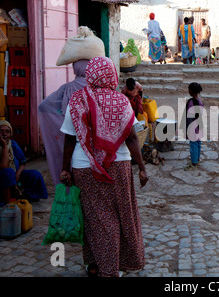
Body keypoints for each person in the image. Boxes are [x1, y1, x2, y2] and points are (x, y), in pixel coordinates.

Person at [60, 56, 148, 277]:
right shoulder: (121, 101)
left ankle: (97, 265)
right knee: (119, 216)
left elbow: (69, 139)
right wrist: (142, 167)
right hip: (118, 166)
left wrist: (65, 168)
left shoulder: (77, 100)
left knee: (94, 218)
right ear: (111, 75)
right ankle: (109, 267)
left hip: (84, 167)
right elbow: (132, 139)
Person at [38, 27, 105, 187]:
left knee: (75, 182)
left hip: (73, 144)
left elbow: (44, 107)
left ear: (76, 67)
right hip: (99, 145)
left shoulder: (68, 89)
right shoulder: (102, 89)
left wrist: (60, 122)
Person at [0, 120, 48, 205]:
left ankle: (27, 196)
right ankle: (7, 202)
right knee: (8, 172)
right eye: (1, 131)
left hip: (14, 176)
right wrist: (4, 146)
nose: (4, 134)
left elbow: (22, 163)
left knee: (34, 174)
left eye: (7, 131)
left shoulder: (13, 144)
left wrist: (17, 174)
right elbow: (3, 166)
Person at [184, 82, 204, 171]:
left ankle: (194, 161)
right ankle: (197, 158)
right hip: (199, 124)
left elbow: (189, 116)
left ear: (191, 91)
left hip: (192, 125)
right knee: (198, 142)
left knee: (193, 144)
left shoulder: (191, 102)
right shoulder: (200, 101)